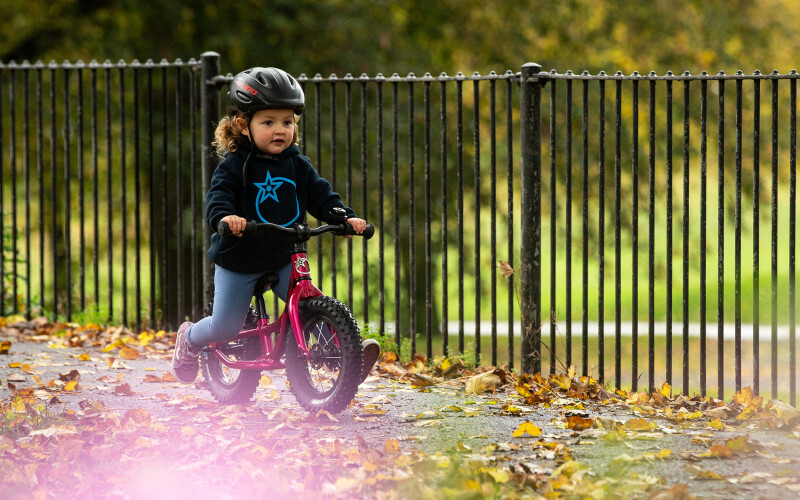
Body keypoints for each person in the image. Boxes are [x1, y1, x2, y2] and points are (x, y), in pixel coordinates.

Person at [172, 67, 380, 386]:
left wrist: (344, 218)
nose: (279, 130)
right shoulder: (234, 166)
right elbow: (218, 198)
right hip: (239, 259)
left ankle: (346, 353)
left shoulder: (297, 164)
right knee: (226, 326)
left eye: (287, 122)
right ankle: (190, 339)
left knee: (310, 304)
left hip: (283, 255)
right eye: (268, 122)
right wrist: (226, 218)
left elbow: (322, 196)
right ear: (244, 125)